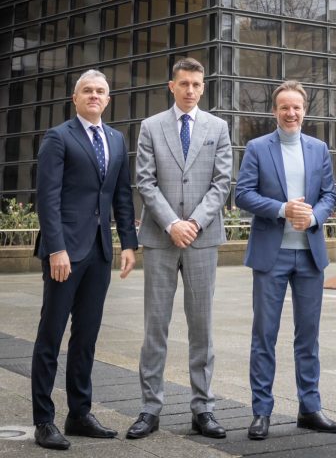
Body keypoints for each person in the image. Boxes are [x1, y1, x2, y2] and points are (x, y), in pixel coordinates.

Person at [31, 70, 137, 450]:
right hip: (64, 253)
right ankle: (44, 421)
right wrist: (56, 248)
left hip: (99, 252)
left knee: (86, 336)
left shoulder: (117, 140)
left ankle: (78, 413)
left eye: (100, 91)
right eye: (87, 90)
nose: (94, 95)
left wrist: (128, 244)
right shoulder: (58, 137)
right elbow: (48, 197)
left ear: (108, 99)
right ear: (75, 98)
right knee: (51, 335)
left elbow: (121, 195)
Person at [130, 58, 232, 440]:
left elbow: (222, 182)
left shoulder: (218, 128)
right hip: (161, 238)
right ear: (171, 86)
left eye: (196, 84)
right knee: (155, 326)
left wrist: (194, 223)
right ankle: (149, 409)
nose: (190, 90)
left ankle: (203, 409)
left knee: (201, 327)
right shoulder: (150, 126)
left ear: (203, 88)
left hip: (202, 238)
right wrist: (173, 223)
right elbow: (145, 181)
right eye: (184, 83)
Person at [235, 81, 336, 440]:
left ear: (304, 110)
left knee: (307, 337)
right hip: (271, 256)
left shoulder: (318, 148)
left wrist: (313, 217)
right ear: (275, 111)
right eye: (284, 107)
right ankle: (261, 411)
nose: (291, 113)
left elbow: (329, 195)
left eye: (296, 107)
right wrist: (282, 209)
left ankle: (309, 408)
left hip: (310, 256)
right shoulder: (257, 148)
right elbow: (243, 194)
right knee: (264, 336)